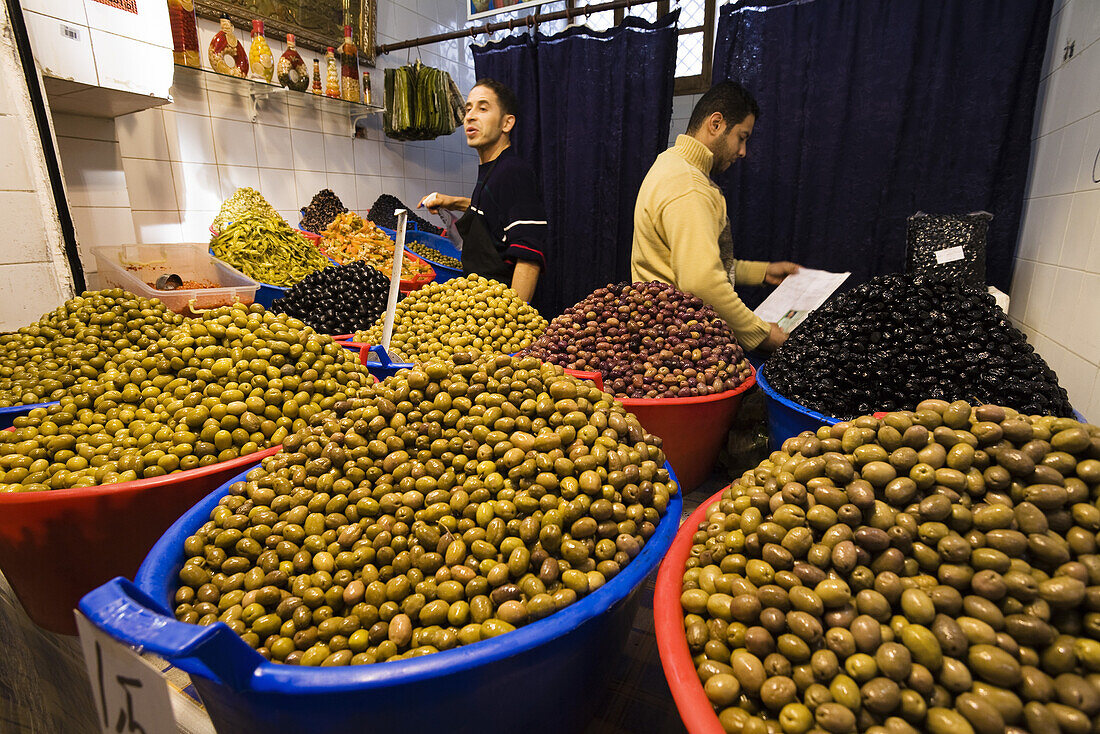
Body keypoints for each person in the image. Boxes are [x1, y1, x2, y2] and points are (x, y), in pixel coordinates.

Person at [631, 81, 801, 352]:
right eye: (742, 137)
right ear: (716, 123)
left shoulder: (669, 163)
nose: (743, 151)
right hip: (678, 348)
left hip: (660, 338)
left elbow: (692, 261)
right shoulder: (689, 185)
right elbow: (702, 282)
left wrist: (762, 272)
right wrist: (761, 333)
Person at [418, 79, 547, 302]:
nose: (470, 116)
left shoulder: (513, 172)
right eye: (468, 109)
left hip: (498, 315)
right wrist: (452, 202)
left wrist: (513, 321)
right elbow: (496, 212)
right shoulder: (493, 169)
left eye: (483, 108)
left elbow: (529, 256)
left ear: (507, 124)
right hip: (480, 307)